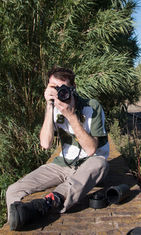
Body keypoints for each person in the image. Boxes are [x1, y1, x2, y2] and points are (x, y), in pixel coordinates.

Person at [6, 67, 110, 230]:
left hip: (89, 166)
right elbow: (45, 144)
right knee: (13, 190)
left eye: (63, 88)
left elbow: (91, 150)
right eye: (53, 87)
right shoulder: (54, 108)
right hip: (63, 164)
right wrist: (49, 106)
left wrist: (71, 115)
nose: (59, 92)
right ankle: (22, 218)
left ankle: (51, 201)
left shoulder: (92, 106)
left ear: (73, 88)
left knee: (101, 164)